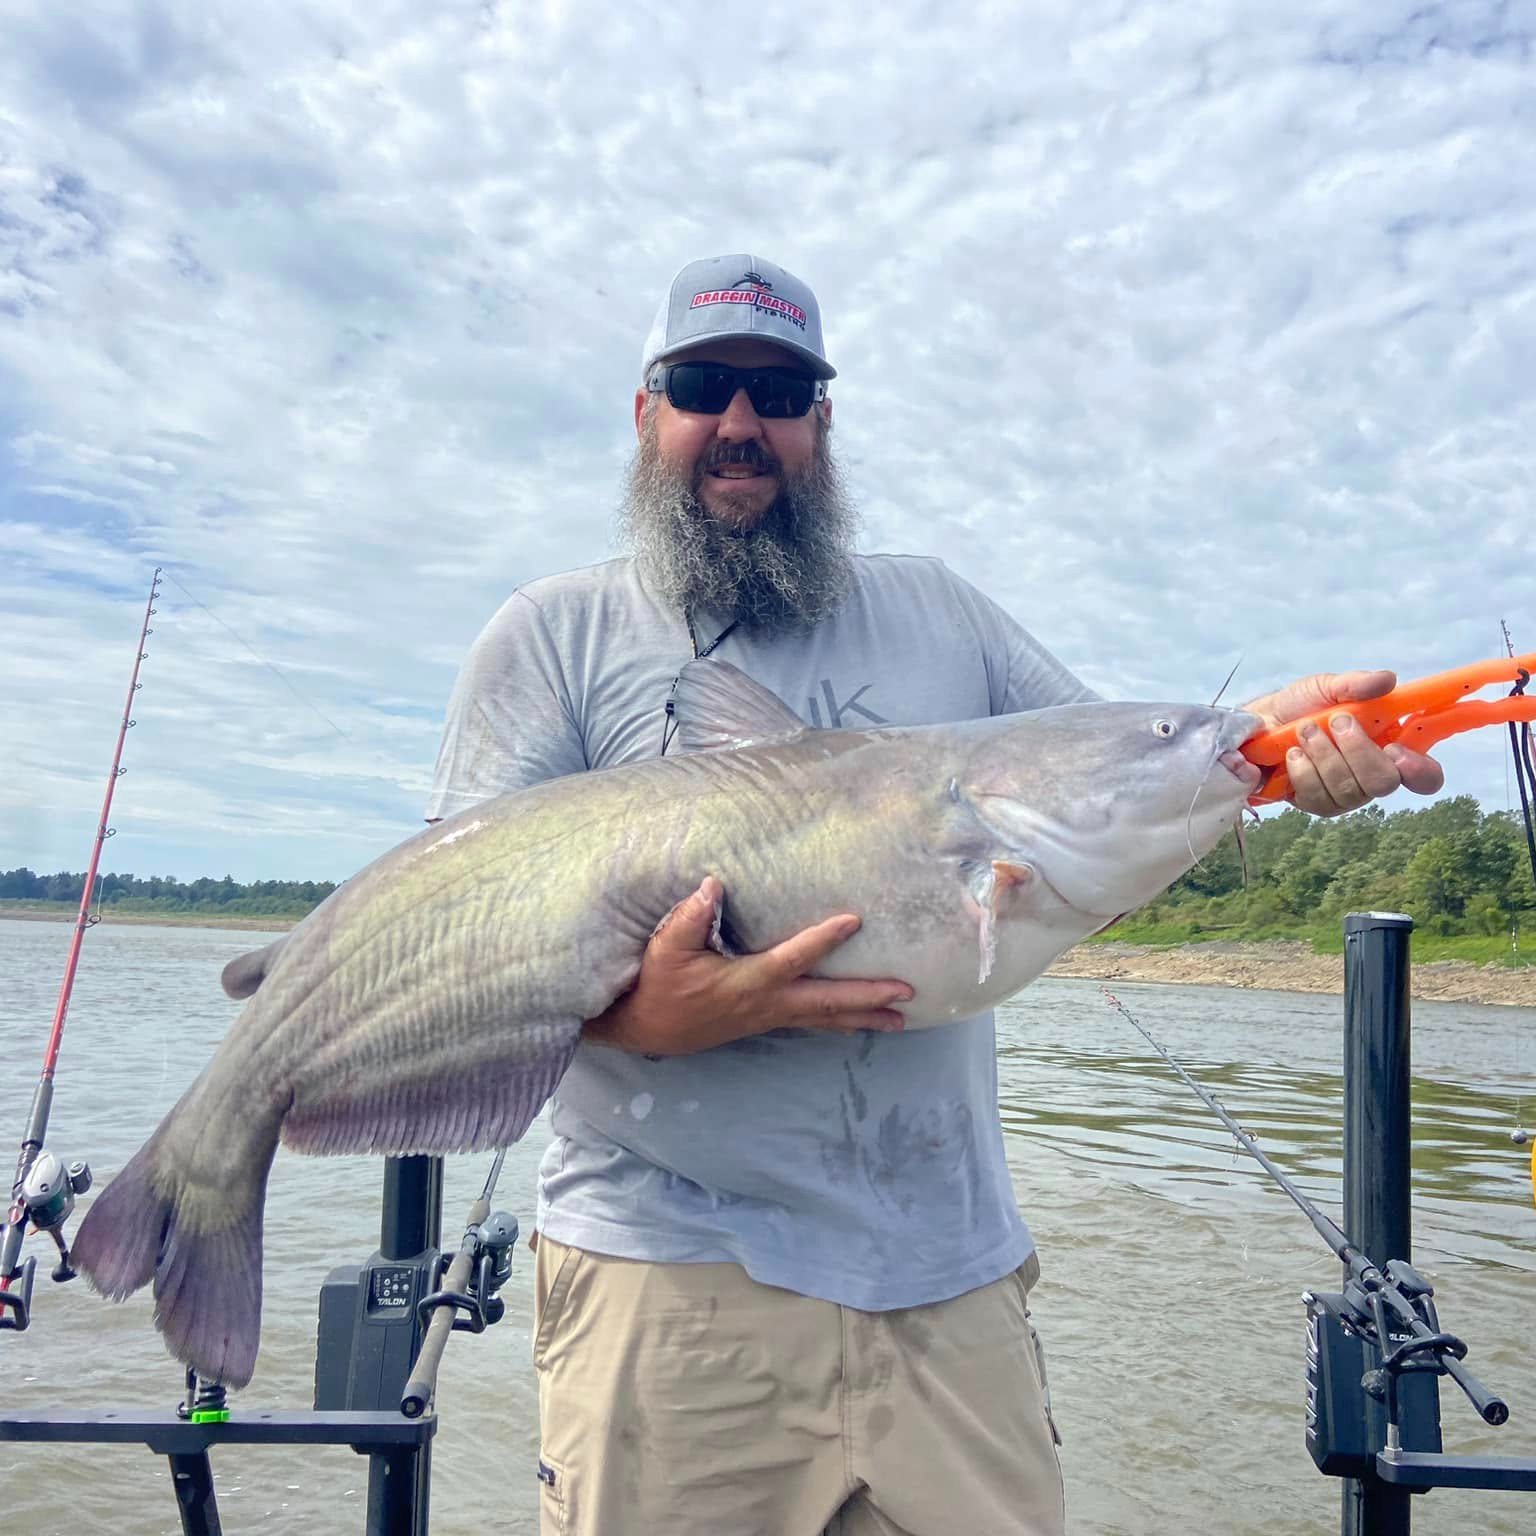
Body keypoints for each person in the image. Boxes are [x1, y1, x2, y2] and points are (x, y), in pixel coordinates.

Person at [425, 254, 1443, 1536]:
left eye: (780, 394)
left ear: (824, 426)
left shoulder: (946, 614)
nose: (741, 423)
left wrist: (1271, 762)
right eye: (703, 385)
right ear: (646, 414)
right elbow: (462, 948)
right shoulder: (551, 636)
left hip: (947, 1284)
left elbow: (1106, 787)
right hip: (666, 1286)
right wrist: (650, 1019)